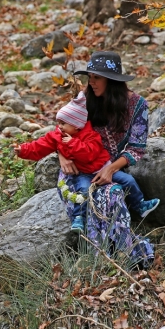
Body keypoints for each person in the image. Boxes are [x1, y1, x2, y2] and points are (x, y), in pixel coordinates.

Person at [61, 51, 158, 265]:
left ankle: (125, 254)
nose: (91, 82)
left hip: (108, 169)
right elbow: (61, 129)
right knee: (85, 194)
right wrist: (62, 157)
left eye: (97, 77)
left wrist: (111, 169)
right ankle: (101, 257)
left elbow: (136, 148)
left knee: (113, 194)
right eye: (90, 77)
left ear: (111, 80)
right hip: (79, 168)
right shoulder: (84, 98)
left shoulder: (137, 105)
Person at [14, 92, 112, 232]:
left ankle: (139, 203)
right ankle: (79, 218)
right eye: (58, 122)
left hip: (103, 168)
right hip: (83, 173)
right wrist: (23, 150)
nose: (58, 126)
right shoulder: (59, 135)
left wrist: (72, 143)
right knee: (82, 190)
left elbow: (89, 154)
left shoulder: (90, 136)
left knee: (128, 180)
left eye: (62, 123)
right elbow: (40, 146)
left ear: (77, 126)